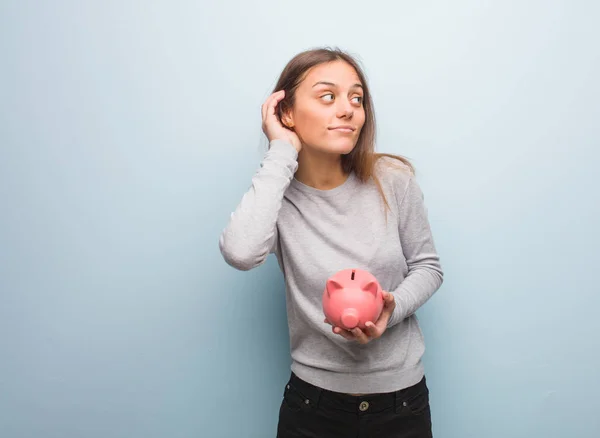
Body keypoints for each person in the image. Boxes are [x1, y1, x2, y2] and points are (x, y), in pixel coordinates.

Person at [219, 47, 444, 438]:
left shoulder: (393, 179)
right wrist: (281, 150)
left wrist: (393, 309)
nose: (348, 110)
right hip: (312, 406)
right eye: (328, 96)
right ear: (286, 112)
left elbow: (429, 267)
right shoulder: (275, 197)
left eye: (356, 98)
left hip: (401, 403)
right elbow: (240, 253)